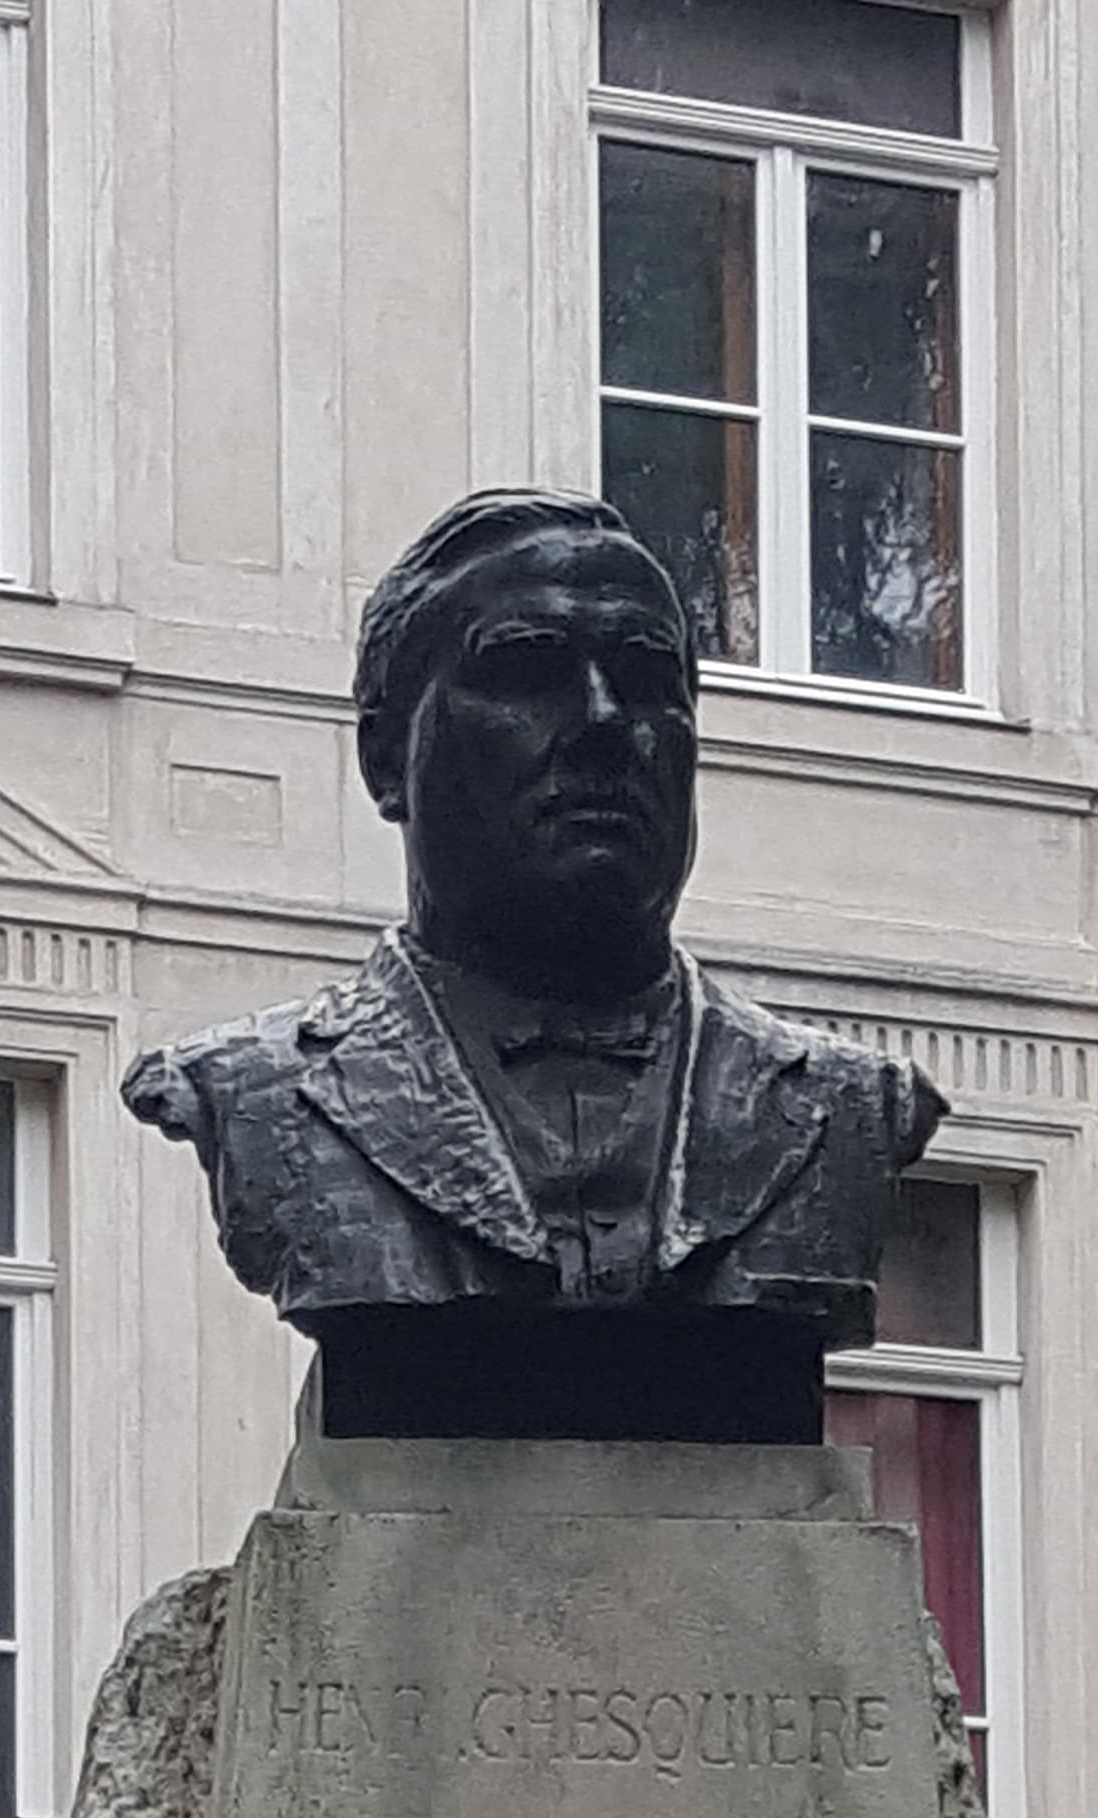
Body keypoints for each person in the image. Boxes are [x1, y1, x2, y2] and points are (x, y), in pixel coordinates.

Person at [123, 491, 943, 1344]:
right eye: (526, 673)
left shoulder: (843, 1107)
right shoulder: (258, 1089)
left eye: (647, 682)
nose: (603, 722)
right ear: (384, 757)